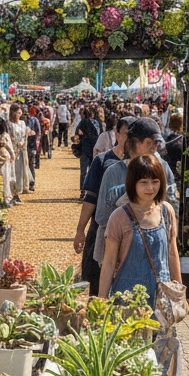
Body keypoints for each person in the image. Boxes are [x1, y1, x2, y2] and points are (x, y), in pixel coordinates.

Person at [92, 118, 179, 274]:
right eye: (149, 143)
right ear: (134, 143)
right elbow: (102, 217)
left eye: (156, 143)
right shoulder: (114, 172)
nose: (153, 147)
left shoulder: (163, 168)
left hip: (155, 254)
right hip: (119, 256)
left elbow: (172, 209)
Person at [99, 154, 181, 309]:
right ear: (133, 183)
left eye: (155, 181)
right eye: (143, 182)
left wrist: (178, 292)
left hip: (160, 299)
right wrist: (102, 301)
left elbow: (172, 253)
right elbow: (109, 261)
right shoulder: (119, 217)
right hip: (127, 300)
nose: (150, 188)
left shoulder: (166, 212)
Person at [74, 116, 132, 295]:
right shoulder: (102, 160)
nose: (129, 139)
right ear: (116, 134)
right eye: (126, 134)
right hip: (101, 226)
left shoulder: (141, 164)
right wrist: (80, 230)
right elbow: (91, 198)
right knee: (96, 278)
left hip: (130, 231)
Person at [73, 103, 101, 189]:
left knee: (86, 172)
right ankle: (87, 189)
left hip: (89, 149)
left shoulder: (90, 122)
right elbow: (77, 135)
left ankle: (85, 190)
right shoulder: (96, 122)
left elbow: (76, 135)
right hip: (91, 149)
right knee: (89, 171)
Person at [9, 103, 29, 204]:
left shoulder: (22, 123)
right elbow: (9, 137)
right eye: (17, 113)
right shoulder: (9, 124)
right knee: (13, 172)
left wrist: (22, 142)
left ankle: (17, 192)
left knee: (20, 172)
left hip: (21, 150)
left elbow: (24, 135)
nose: (19, 115)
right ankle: (13, 193)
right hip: (12, 150)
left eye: (20, 113)